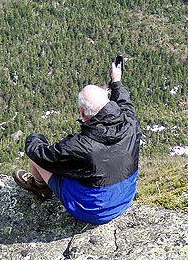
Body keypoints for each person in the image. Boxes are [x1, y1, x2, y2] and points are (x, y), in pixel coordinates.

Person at [13, 61, 141, 224]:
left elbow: (39, 154)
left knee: (37, 160)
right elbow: (124, 101)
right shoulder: (131, 123)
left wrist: (35, 138)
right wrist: (116, 81)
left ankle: (40, 187)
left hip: (94, 211)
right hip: (125, 197)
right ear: (108, 102)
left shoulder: (80, 146)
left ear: (82, 111)